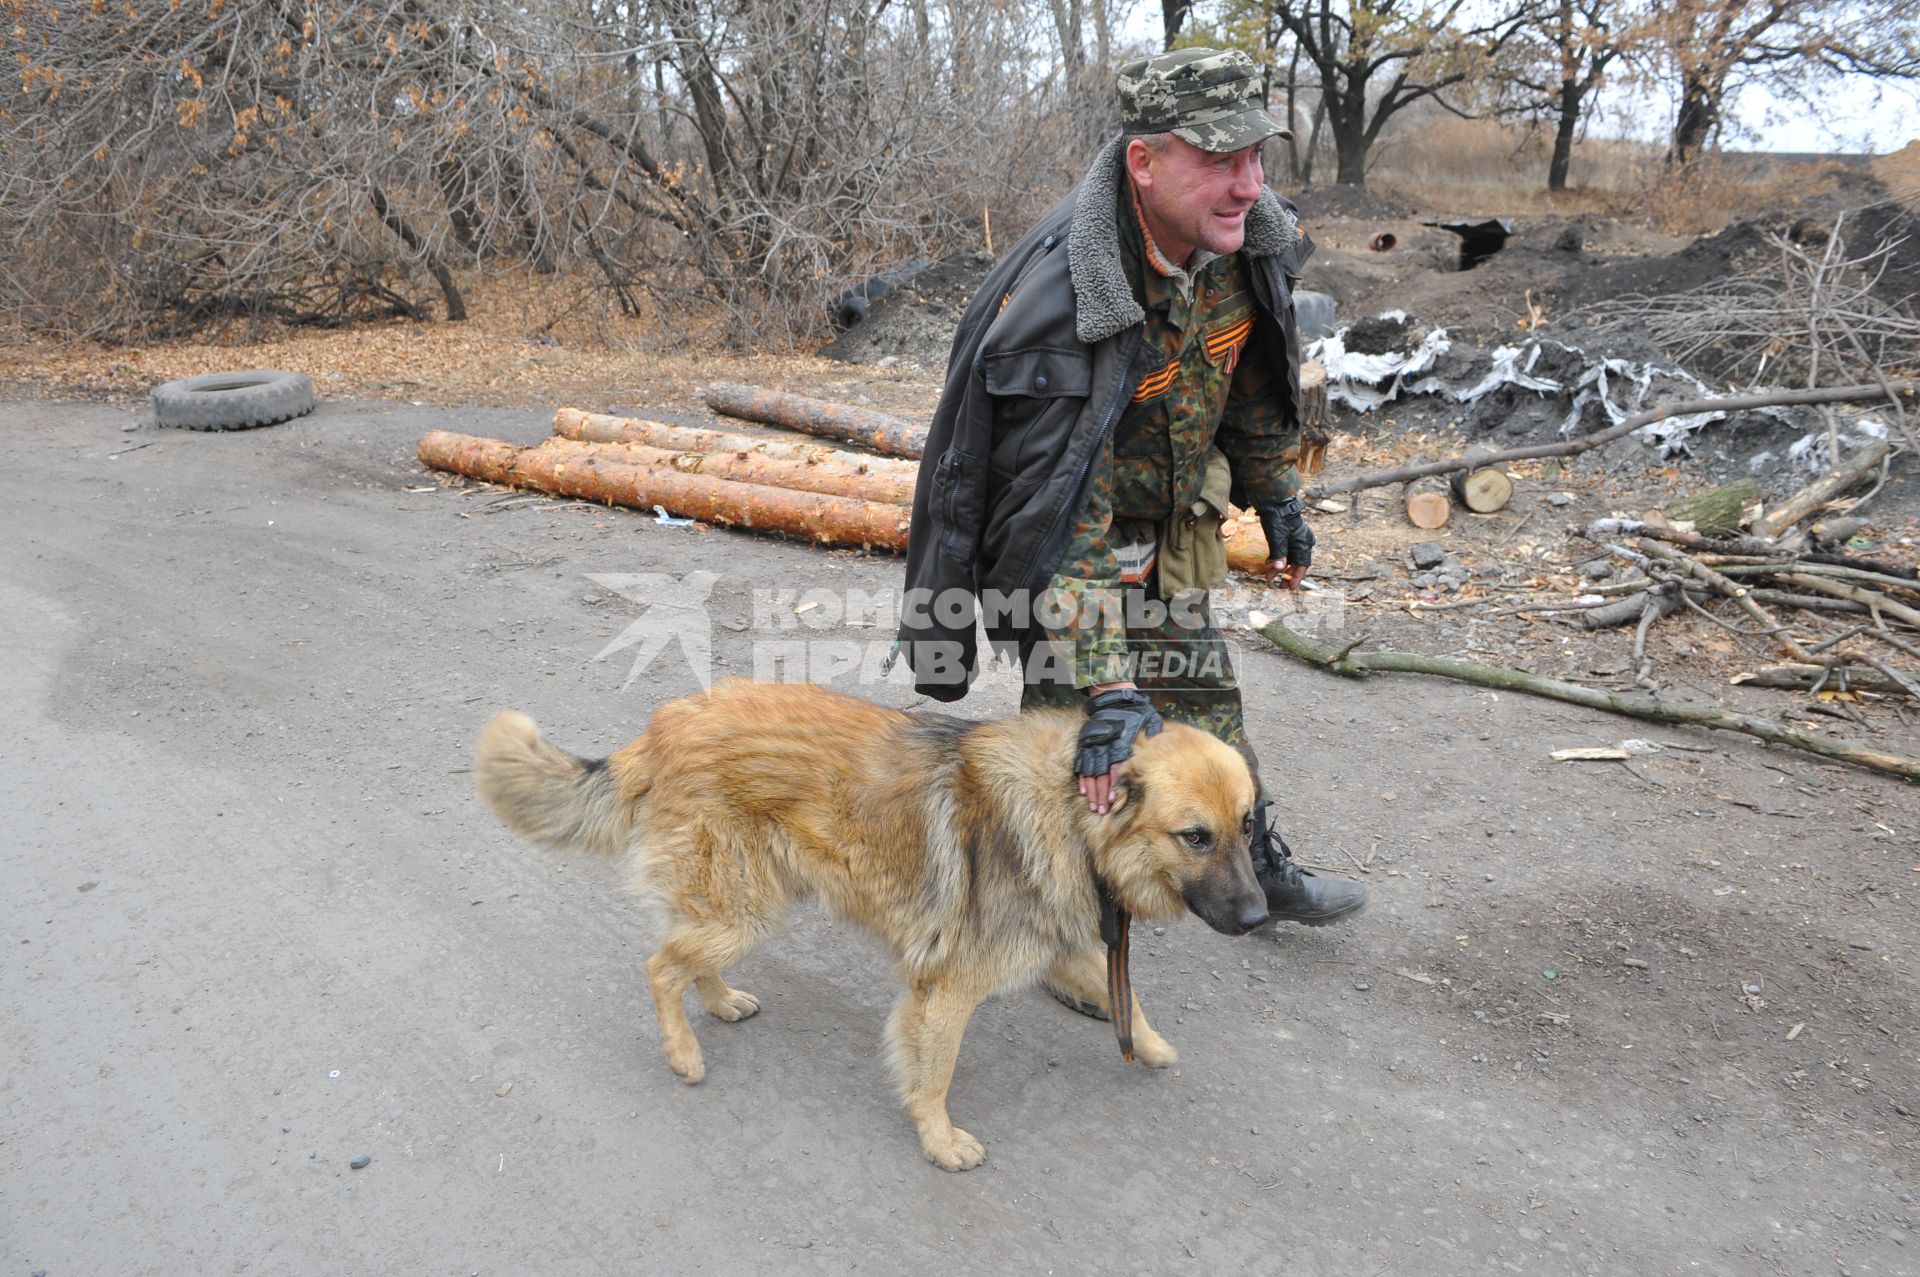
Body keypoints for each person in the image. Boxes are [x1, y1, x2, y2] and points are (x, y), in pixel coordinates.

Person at [893, 47, 1368, 960]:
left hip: (1166, 529)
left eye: (1256, 158)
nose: (1246, 185)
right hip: (1062, 549)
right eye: (1220, 161)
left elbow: (1255, 386)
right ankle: (1046, 929)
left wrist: (1277, 498)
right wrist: (1113, 684)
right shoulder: (1067, 298)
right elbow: (1057, 507)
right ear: (1144, 163)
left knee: (1208, 714)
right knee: (1090, 754)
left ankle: (1250, 862)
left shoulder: (1245, 244)